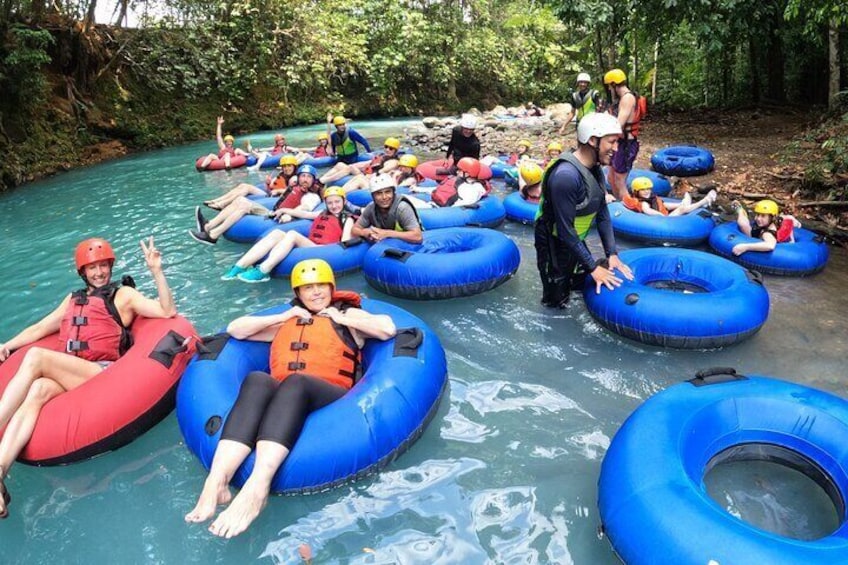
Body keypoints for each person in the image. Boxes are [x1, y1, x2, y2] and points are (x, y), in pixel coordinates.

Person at [184, 259, 396, 538]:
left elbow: (387, 329)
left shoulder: (349, 319)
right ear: (298, 293)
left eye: (321, 285)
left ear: (332, 287)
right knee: (257, 380)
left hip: (332, 397)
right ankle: (218, 480)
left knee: (295, 383)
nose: (316, 292)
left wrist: (341, 318)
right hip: (287, 398)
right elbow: (236, 328)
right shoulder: (290, 321)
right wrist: (283, 317)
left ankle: (258, 487)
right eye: (308, 287)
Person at [0, 237, 176, 518]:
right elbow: (40, 327)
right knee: (38, 389)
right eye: (92, 268)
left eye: (103, 266)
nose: (99, 273)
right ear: (82, 272)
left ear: (110, 266)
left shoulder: (123, 296)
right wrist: (7, 345)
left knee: (36, 357)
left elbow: (167, 312)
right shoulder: (73, 300)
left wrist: (156, 271)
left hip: (104, 375)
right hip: (75, 372)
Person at [534, 112, 634, 308]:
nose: (616, 148)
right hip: (553, 243)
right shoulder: (566, 177)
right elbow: (564, 230)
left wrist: (611, 253)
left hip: (573, 239)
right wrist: (592, 267)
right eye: (612, 142)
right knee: (556, 301)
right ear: (593, 140)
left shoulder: (594, 168)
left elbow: (602, 213)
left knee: (579, 283)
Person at [223, 187, 358, 283]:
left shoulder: (347, 219)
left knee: (292, 234)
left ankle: (263, 270)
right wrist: (283, 210)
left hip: (324, 250)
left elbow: (344, 244)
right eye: (330, 202)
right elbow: (305, 214)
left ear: (344, 201)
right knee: (276, 233)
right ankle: (239, 266)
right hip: (311, 245)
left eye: (337, 202)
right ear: (326, 203)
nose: (334, 206)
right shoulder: (322, 213)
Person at [190, 165, 323, 245]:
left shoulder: (311, 195)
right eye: (303, 176)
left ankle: (213, 235)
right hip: (273, 211)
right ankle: (208, 226)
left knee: (244, 206)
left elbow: (304, 208)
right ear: (299, 177)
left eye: (308, 177)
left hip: (278, 218)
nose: (305, 179)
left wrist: (289, 215)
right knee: (240, 200)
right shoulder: (296, 187)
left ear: (313, 180)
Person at [202, 156, 299, 212]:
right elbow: (273, 186)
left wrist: (278, 190)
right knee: (243, 185)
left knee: (247, 188)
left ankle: (222, 204)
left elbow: (294, 191)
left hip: (274, 197)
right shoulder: (283, 174)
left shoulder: (295, 178)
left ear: (294, 167)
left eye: (289, 166)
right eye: (284, 166)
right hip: (270, 193)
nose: (287, 168)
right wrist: (268, 183)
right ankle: (217, 201)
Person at [604, 69, 644, 201]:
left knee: (620, 181)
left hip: (626, 145)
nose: (609, 90)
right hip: (620, 143)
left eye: (610, 86)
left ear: (614, 85)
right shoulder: (622, 99)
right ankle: (618, 204)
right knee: (611, 178)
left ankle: (627, 208)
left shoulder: (627, 98)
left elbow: (618, 124)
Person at [351, 174, 423, 244]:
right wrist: (365, 233)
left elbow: (418, 237)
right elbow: (354, 230)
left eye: (388, 192)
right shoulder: (371, 208)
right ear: (373, 196)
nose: (384, 197)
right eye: (379, 193)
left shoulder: (402, 208)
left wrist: (387, 233)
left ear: (393, 193)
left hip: (409, 245)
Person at [407, 157, 490, 209]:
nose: (457, 172)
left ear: (468, 173)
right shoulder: (460, 181)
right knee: (403, 199)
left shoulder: (470, 189)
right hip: (434, 205)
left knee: (402, 203)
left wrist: (441, 213)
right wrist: (419, 189)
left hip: (437, 210)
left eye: (460, 170)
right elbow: (441, 190)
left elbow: (463, 204)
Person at [731, 199, 800, 256]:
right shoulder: (777, 219)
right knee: (742, 223)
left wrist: (745, 247)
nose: (758, 218)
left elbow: (770, 246)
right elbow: (787, 217)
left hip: (756, 235)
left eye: (763, 216)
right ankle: (741, 211)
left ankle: (740, 211)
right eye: (757, 214)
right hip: (757, 230)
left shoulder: (767, 233)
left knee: (743, 224)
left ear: (772, 217)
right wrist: (794, 220)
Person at [319, 137, 400, 185]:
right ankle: (322, 178)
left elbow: (381, 172)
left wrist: (366, 176)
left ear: (395, 150)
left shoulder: (393, 162)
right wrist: (354, 166)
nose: (387, 150)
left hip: (370, 178)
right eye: (386, 147)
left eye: (391, 148)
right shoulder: (382, 156)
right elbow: (367, 163)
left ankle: (323, 181)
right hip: (366, 173)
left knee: (350, 167)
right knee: (340, 164)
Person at [622, 177, 717, 216]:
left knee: (665, 204)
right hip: (664, 220)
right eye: (643, 190)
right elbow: (648, 210)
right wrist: (661, 216)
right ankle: (704, 201)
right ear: (636, 192)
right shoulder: (643, 203)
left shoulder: (650, 198)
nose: (647, 191)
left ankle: (682, 203)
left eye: (648, 189)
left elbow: (663, 205)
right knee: (682, 209)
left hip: (664, 213)